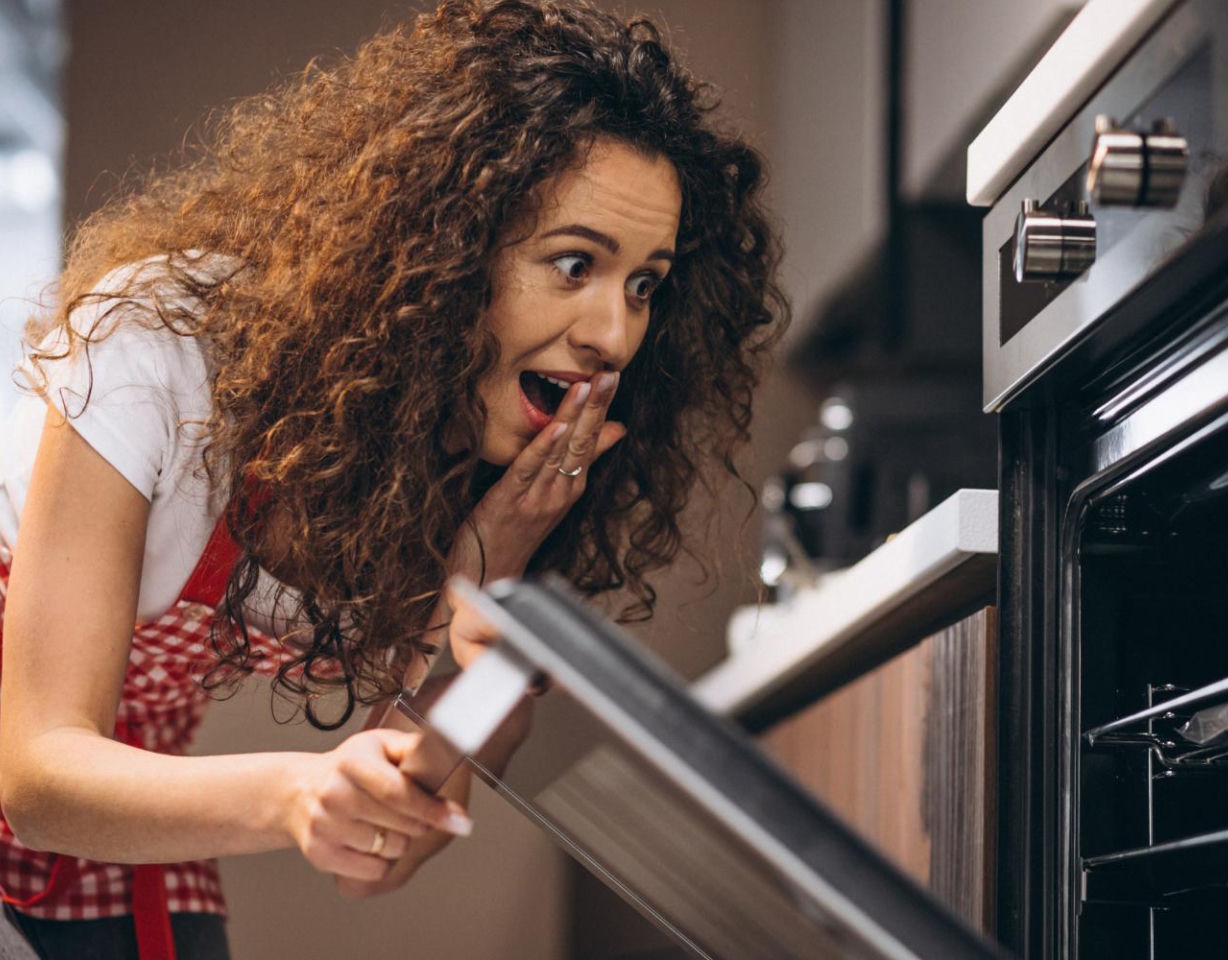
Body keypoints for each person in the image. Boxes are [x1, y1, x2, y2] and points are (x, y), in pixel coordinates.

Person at [0, 0, 786, 956]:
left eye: (643, 284)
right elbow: (37, 778)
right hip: (56, 763)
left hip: (119, 784)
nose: (614, 335)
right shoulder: (161, 344)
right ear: (445, 250)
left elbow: (373, 856)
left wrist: (486, 567)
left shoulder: (486, 470)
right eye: (573, 263)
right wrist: (297, 790)